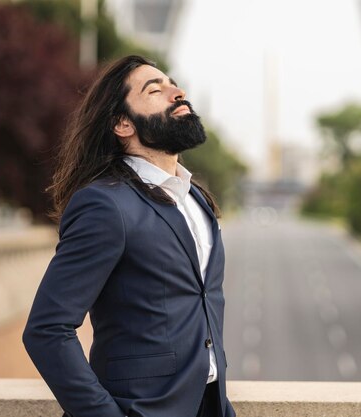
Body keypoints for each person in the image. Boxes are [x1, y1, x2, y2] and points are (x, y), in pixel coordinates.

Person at [22, 55, 235, 417]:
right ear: (122, 123)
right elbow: (47, 329)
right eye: (156, 89)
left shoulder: (195, 197)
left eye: (173, 84)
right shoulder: (104, 204)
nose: (177, 93)